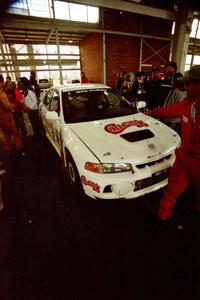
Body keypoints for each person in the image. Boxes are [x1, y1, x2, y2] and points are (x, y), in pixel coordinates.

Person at [0, 75, 25, 156]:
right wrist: (13, 105)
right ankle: (20, 149)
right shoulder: (2, 94)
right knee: (15, 133)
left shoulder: (7, 92)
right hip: (7, 117)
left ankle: (9, 150)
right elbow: (8, 106)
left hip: (1, 119)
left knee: (6, 134)